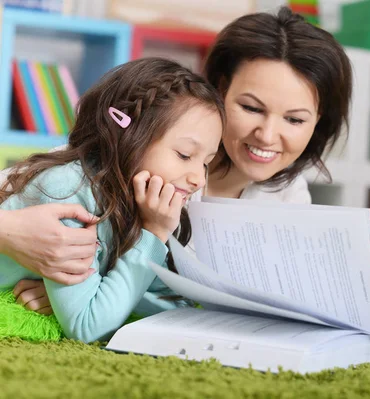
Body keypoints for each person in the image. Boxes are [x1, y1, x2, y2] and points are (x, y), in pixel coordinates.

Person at [9, 7, 352, 317]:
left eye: (295, 120)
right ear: (218, 90)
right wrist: (11, 233)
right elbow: (27, 191)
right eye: (251, 108)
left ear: (319, 121)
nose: (267, 134)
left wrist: (92, 291)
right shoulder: (126, 164)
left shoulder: (290, 200)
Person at [0, 57, 224, 342]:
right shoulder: (69, 190)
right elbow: (88, 327)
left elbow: (173, 304)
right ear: (128, 136)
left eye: (206, 162)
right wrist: (153, 234)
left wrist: (104, 289)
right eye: (184, 155)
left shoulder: (144, 199)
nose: (199, 179)